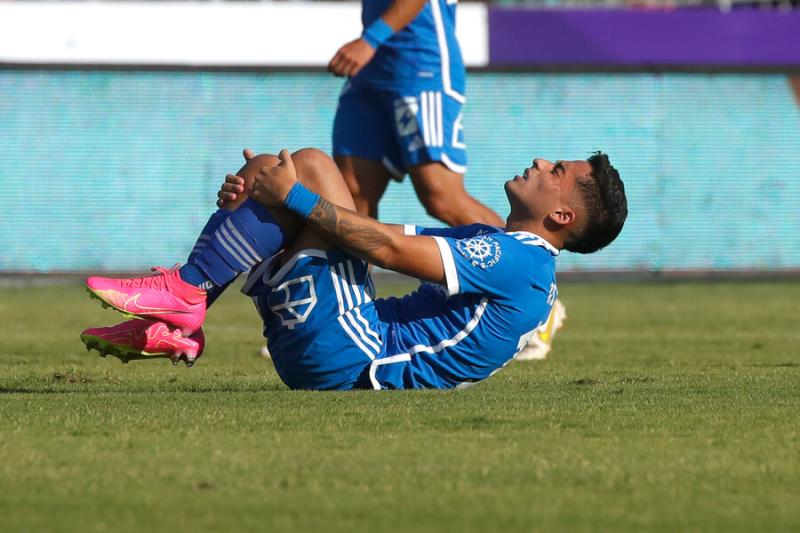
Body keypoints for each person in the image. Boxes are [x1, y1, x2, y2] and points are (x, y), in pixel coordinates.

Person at [80, 147, 627, 390]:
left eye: (555, 169)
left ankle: (185, 294)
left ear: (562, 214)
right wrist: (267, 194)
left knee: (307, 172)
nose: (538, 162)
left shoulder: (517, 261)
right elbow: (373, 235)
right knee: (281, 173)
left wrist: (289, 196)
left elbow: (383, 250)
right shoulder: (506, 248)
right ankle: (182, 310)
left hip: (354, 356)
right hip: (345, 347)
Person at [328, 0, 501, 227]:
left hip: (421, 68)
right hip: (370, 72)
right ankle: (357, 263)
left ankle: (520, 258)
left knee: (442, 198)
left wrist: (370, 40)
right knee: (353, 195)